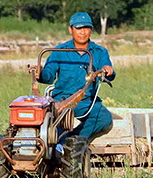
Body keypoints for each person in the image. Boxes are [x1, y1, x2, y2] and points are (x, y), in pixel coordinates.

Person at [37, 12, 116, 146]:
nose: (82, 32)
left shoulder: (99, 52)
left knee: (104, 118)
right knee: (49, 123)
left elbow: (108, 71)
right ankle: (55, 144)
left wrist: (108, 71)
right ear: (71, 29)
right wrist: (40, 72)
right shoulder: (59, 51)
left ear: (91, 30)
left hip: (86, 102)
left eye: (86, 28)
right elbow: (48, 77)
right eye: (79, 28)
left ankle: (72, 140)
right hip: (61, 102)